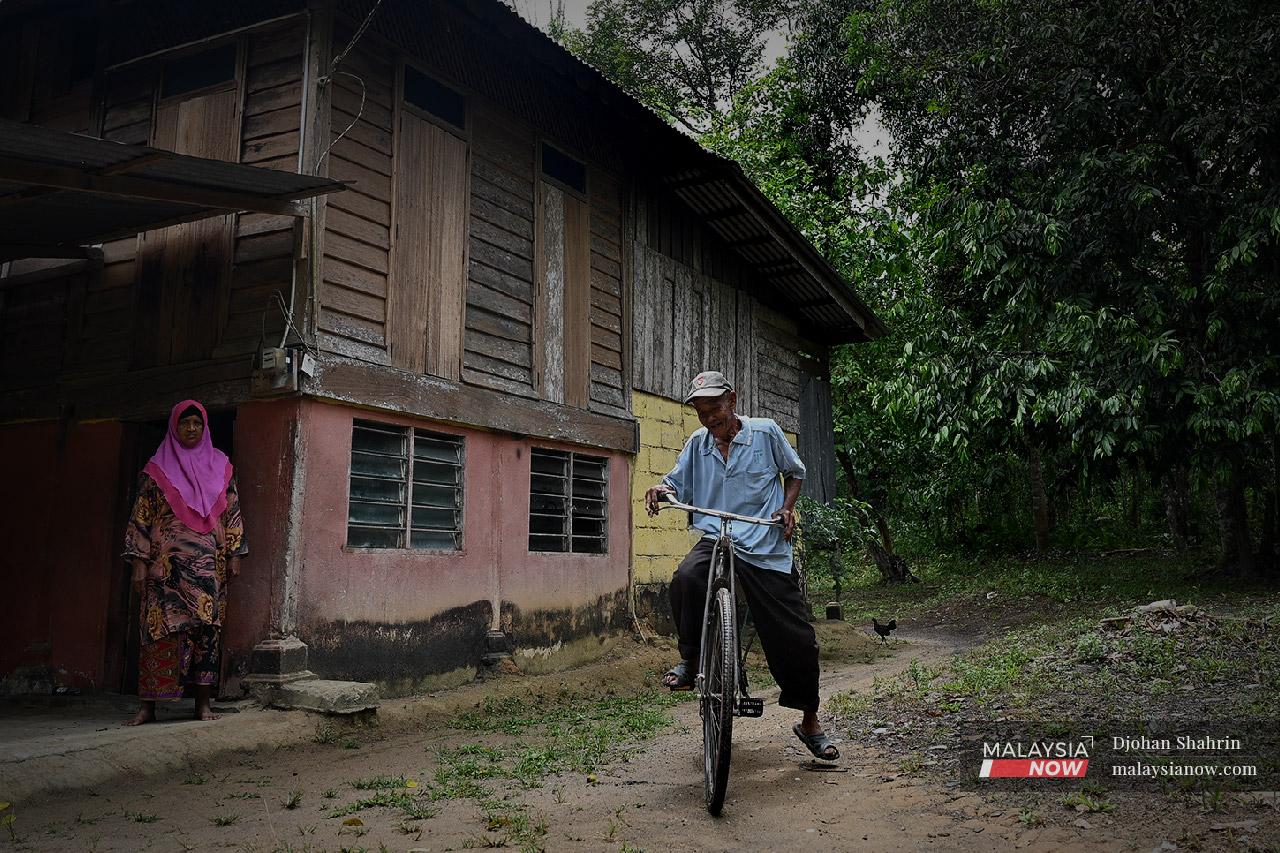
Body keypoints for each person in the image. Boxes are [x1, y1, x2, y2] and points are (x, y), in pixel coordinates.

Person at [644, 370, 839, 761]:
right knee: (686, 578)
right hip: (717, 537)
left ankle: (809, 721)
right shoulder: (698, 444)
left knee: (796, 636)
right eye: (701, 412)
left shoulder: (765, 433)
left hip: (763, 543)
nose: (709, 419)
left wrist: (786, 508)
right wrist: (662, 489)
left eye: (714, 408)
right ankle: (692, 661)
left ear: (732, 400)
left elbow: (794, 473)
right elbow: (675, 482)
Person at [122, 400, 246, 725]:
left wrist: (235, 554)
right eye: (184, 423)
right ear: (174, 427)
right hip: (164, 570)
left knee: (207, 632)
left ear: (205, 428)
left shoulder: (222, 467)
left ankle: (203, 705)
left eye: (197, 423)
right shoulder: (156, 470)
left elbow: (232, 512)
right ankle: (148, 707)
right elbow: (141, 516)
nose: (191, 429)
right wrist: (138, 562)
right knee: (157, 632)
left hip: (208, 570)